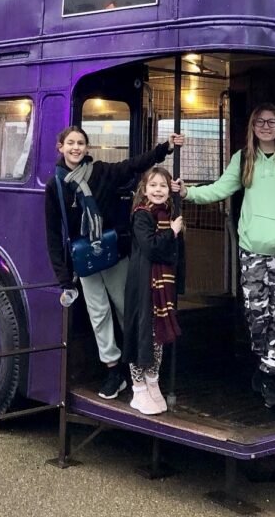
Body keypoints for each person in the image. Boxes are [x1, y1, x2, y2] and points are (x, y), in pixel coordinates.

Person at [44, 126, 184, 399]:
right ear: (60, 147)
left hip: (114, 253)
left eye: (81, 143)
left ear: (87, 147)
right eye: (70, 143)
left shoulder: (101, 171)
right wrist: (63, 278)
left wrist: (164, 148)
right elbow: (53, 233)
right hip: (84, 260)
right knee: (98, 315)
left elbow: (132, 165)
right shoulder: (56, 185)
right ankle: (113, 372)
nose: (76, 148)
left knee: (126, 308)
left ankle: (139, 365)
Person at [174, 103, 275, 409]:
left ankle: (269, 377)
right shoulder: (243, 159)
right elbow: (219, 189)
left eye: (271, 121)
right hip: (252, 251)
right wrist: (188, 193)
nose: (266, 127)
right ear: (252, 126)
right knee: (257, 316)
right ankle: (264, 365)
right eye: (260, 122)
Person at [121, 166, 183, 415]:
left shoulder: (167, 214)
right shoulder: (142, 215)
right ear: (144, 189)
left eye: (163, 186)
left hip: (160, 286)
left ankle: (152, 380)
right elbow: (151, 247)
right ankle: (138, 388)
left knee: (157, 335)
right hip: (142, 284)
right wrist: (172, 233)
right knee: (141, 333)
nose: (158, 190)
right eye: (153, 185)